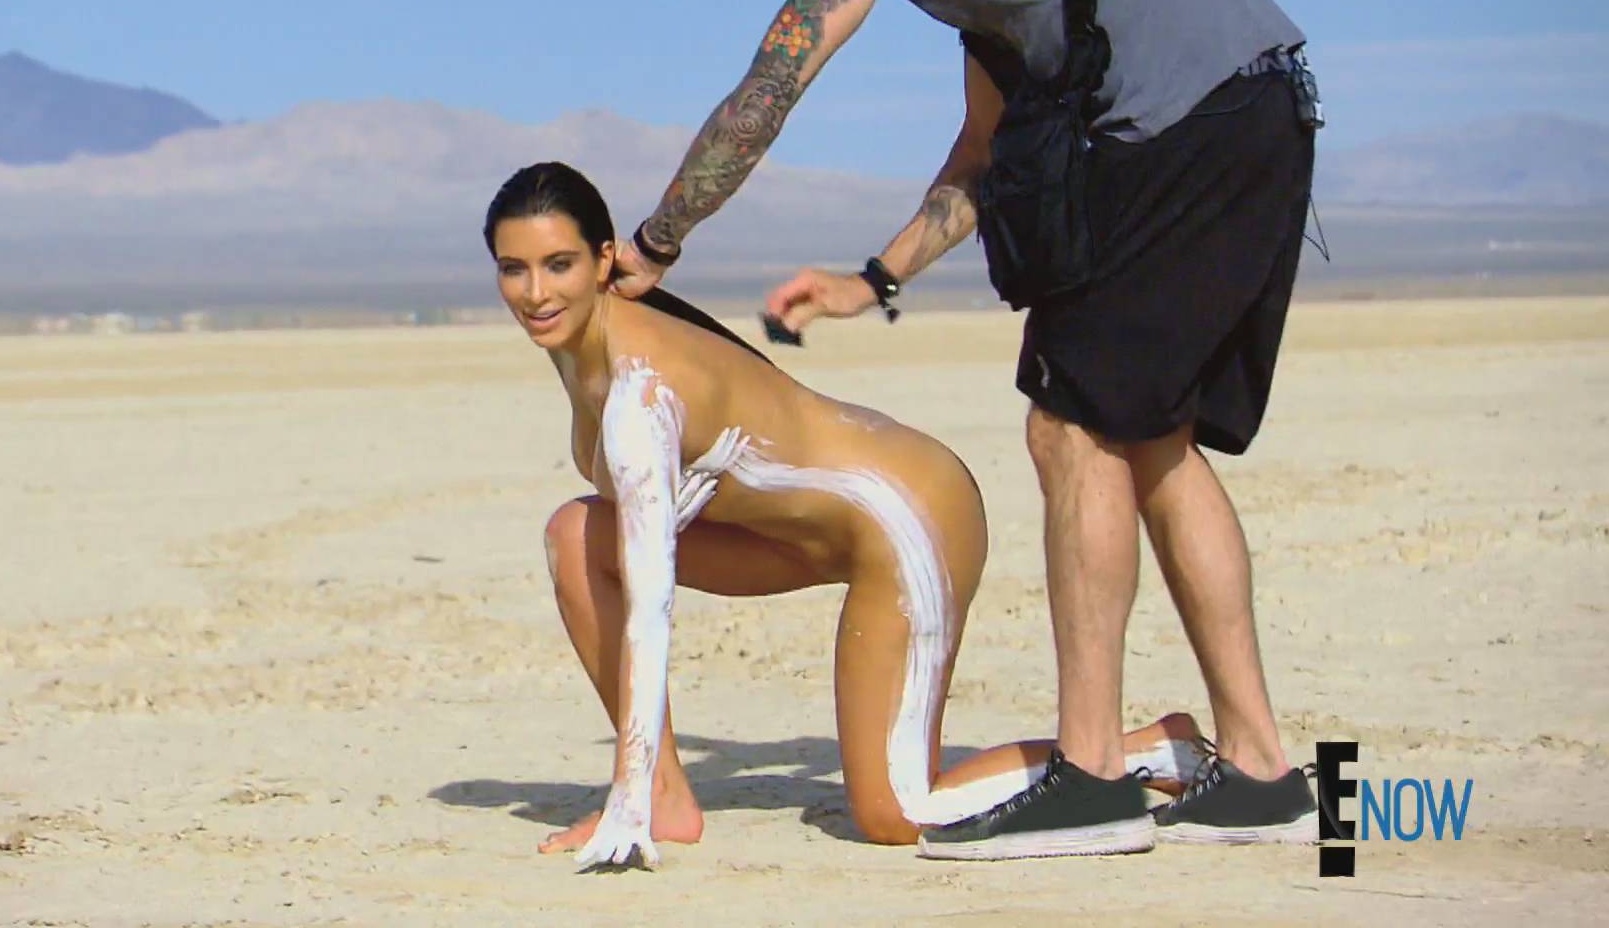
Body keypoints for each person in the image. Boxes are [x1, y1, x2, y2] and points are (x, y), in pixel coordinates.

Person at [607, 0, 1321, 858]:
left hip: (1179, 130)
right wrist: (876, 279)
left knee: (1071, 430)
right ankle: (1259, 772)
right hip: (1255, 115)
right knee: (1153, 441)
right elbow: (984, 149)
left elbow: (776, 79)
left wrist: (656, 241)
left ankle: (1092, 780)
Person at [487, 161, 1204, 868]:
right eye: (514, 270)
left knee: (897, 811)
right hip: (802, 537)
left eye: (558, 265)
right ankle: (667, 794)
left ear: (604, 259)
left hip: (910, 514)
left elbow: (651, 609)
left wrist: (624, 806)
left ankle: (1143, 752)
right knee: (576, 536)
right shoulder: (580, 350)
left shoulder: (640, 389)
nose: (536, 293)